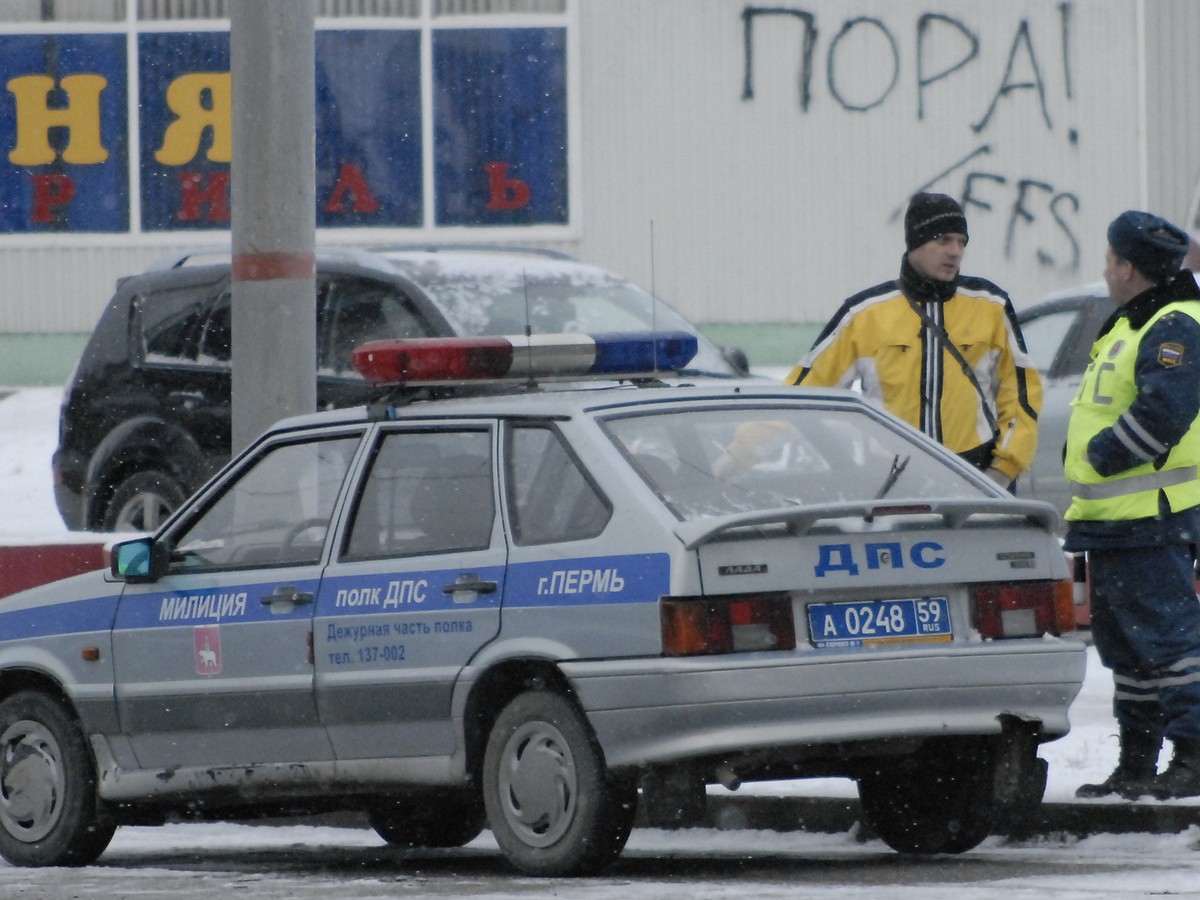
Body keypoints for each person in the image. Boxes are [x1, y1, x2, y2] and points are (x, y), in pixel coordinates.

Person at [1066, 210, 1200, 801]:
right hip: (1114, 522)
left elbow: (1164, 412)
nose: (1105, 269)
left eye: (1110, 259)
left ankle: (1193, 754)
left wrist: (1103, 454)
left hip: (1151, 517)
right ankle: (1138, 763)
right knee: (1128, 652)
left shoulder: (1176, 324)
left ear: (1127, 267)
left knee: (1170, 644)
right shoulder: (1135, 319)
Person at [786, 192, 1042, 488]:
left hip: (975, 477)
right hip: (890, 482)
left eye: (961, 241)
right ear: (916, 243)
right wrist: (737, 457)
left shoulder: (991, 306)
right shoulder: (865, 314)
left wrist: (1001, 472)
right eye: (943, 240)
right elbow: (800, 394)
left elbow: (1022, 395)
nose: (955, 251)